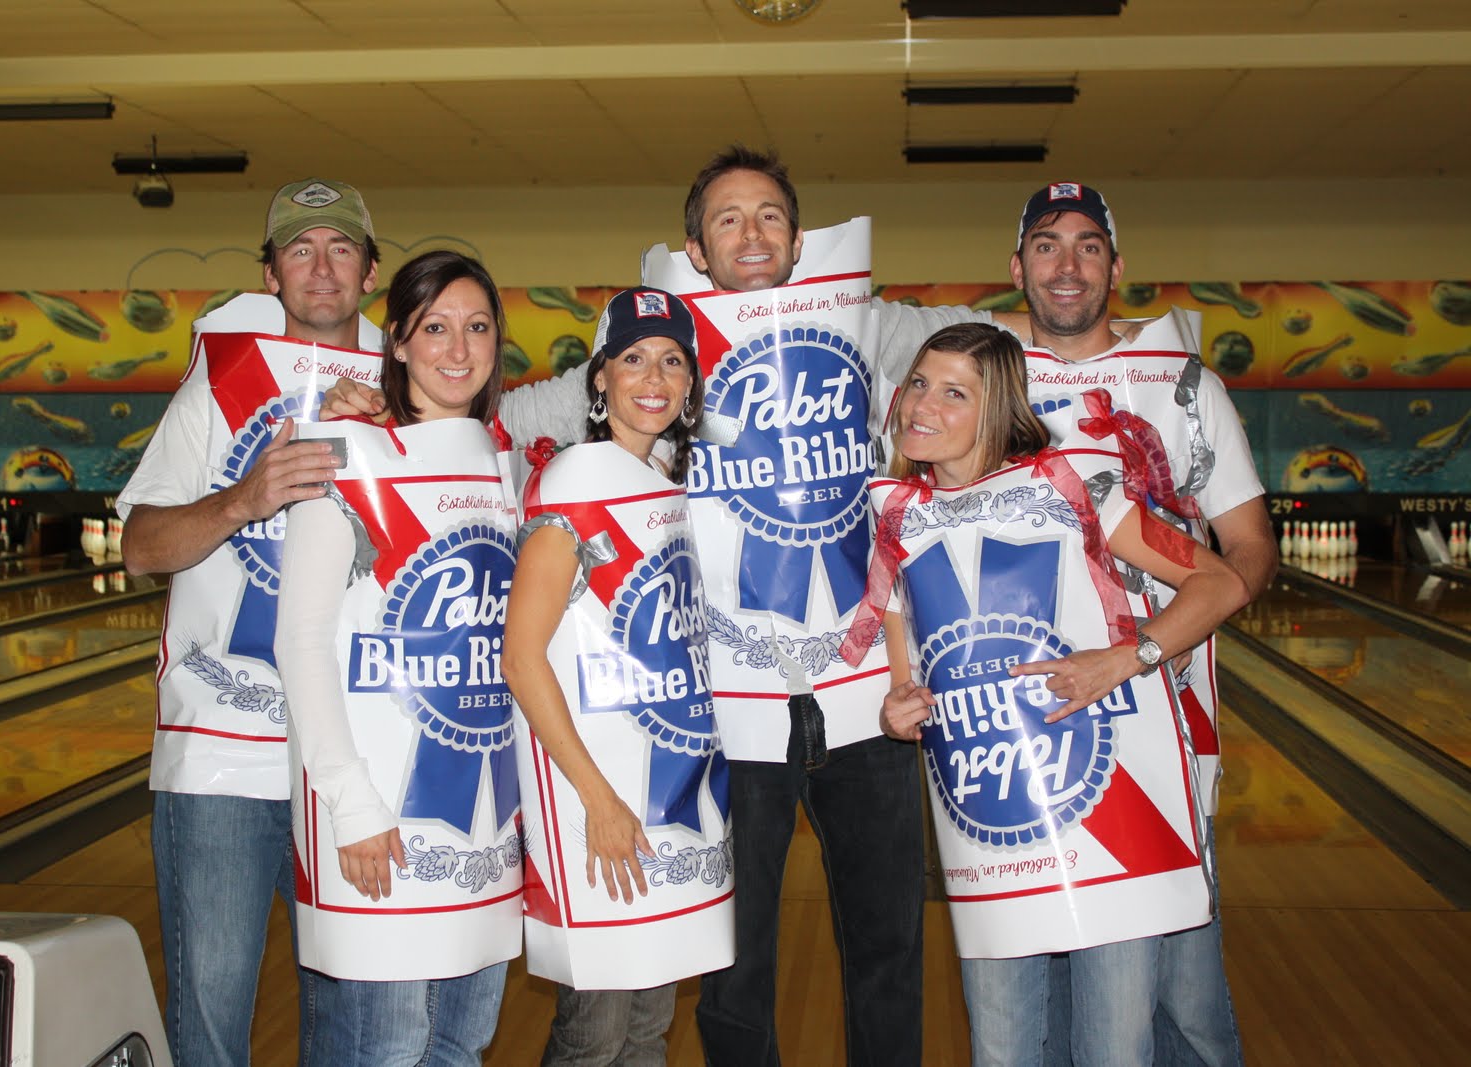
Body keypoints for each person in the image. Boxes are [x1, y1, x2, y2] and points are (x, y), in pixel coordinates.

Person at [323, 145, 1027, 1066]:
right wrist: (386, 412)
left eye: (770, 215)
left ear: (799, 235)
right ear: (694, 247)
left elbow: (990, 341)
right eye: (728, 218)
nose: (751, 233)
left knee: (888, 950)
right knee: (734, 967)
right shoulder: (665, 338)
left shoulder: (866, 320)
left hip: (863, 697)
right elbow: (522, 412)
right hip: (732, 709)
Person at [869, 322, 1251, 1065]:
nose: (923, 404)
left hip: (1114, 812)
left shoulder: (1077, 488)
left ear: (999, 409)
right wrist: (899, 711)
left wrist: (1126, 657)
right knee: (1004, 1052)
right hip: (996, 832)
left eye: (955, 392)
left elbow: (1221, 581)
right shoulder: (896, 518)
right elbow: (902, 686)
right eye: (918, 383)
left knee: (1113, 1050)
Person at [1007, 182, 1276, 1066]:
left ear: (1117, 268)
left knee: (1183, 992)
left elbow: (1249, 550)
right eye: (1047, 245)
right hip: (1031, 722)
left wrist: (1149, 637)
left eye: (1088, 246)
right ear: (1017, 268)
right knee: (1044, 974)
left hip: (1166, 715)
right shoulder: (992, 381)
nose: (1068, 263)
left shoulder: (1186, 385)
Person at [116, 177, 382, 1067]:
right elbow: (140, 546)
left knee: (352, 1027)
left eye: (340, 247)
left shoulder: (408, 385)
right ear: (270, 274)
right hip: (219, 751)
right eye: (299, 249)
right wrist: (243, 497)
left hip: (351, 763)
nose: (320, 267)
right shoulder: (219, 387)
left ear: (370, 272)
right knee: (211, 1028)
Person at [273, 250, 521, 1065]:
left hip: (484, 823)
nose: (458, 349)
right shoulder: (346, 453)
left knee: (460, 1044)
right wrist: (351, 804)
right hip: (379, 817)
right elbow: (300, 639)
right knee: (389, 1047)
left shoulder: (505, 463)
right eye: (435, 328)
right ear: (400, 343)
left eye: (477, 327)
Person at [504, 286, 733, 1066]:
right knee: (594, 1035)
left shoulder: (666, 485)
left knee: (645, 1029)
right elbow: (521, 655)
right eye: (633, 358)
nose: (654, 377)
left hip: (664, 799)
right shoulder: (573, 483)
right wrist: (597, 798)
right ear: (598, 379)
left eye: (673, 361)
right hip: (596, 804)